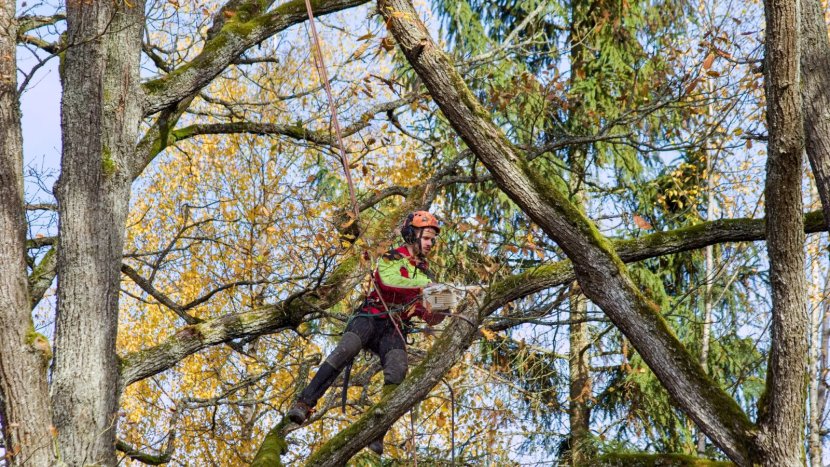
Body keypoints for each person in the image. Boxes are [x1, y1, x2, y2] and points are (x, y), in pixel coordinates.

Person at [287, 211, 446, 455]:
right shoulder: (393, 257)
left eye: (432, 240)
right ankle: (304, 402)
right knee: (346, 349)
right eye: (426, 237)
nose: (429, 243)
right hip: (371, 316)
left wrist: (441, 308)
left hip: (394, 328)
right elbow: (388, 280)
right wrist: (423, 286)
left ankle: (377, 430)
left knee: (398, 369)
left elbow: (425, 314)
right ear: (411, 235)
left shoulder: (425, 274)